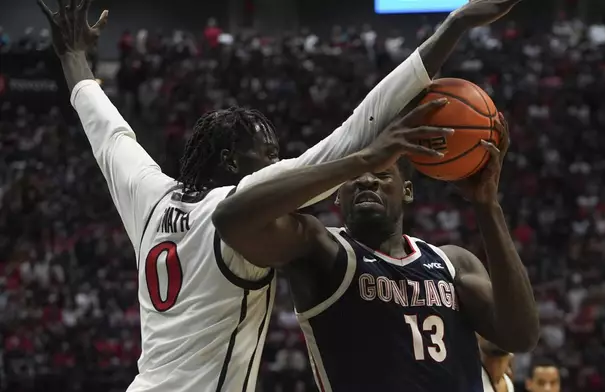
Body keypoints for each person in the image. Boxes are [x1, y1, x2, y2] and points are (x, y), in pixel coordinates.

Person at [38, 0, 523, 390]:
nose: (276, 166)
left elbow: (110, 137)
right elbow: (355, 132)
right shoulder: (244, 200)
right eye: (268, 156)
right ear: (234, 164)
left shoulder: (151, 197)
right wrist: (452, 28)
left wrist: (73, 58)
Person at [213, 109, 540, 390]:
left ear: (407, 191)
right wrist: (359, 159)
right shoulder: (320, 251)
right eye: (355, 174)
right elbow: (231, 221)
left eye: (382, 173)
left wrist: (487, 207)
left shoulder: (453, 262)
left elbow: (521, 335)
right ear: (336, 194)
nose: (367, 180)